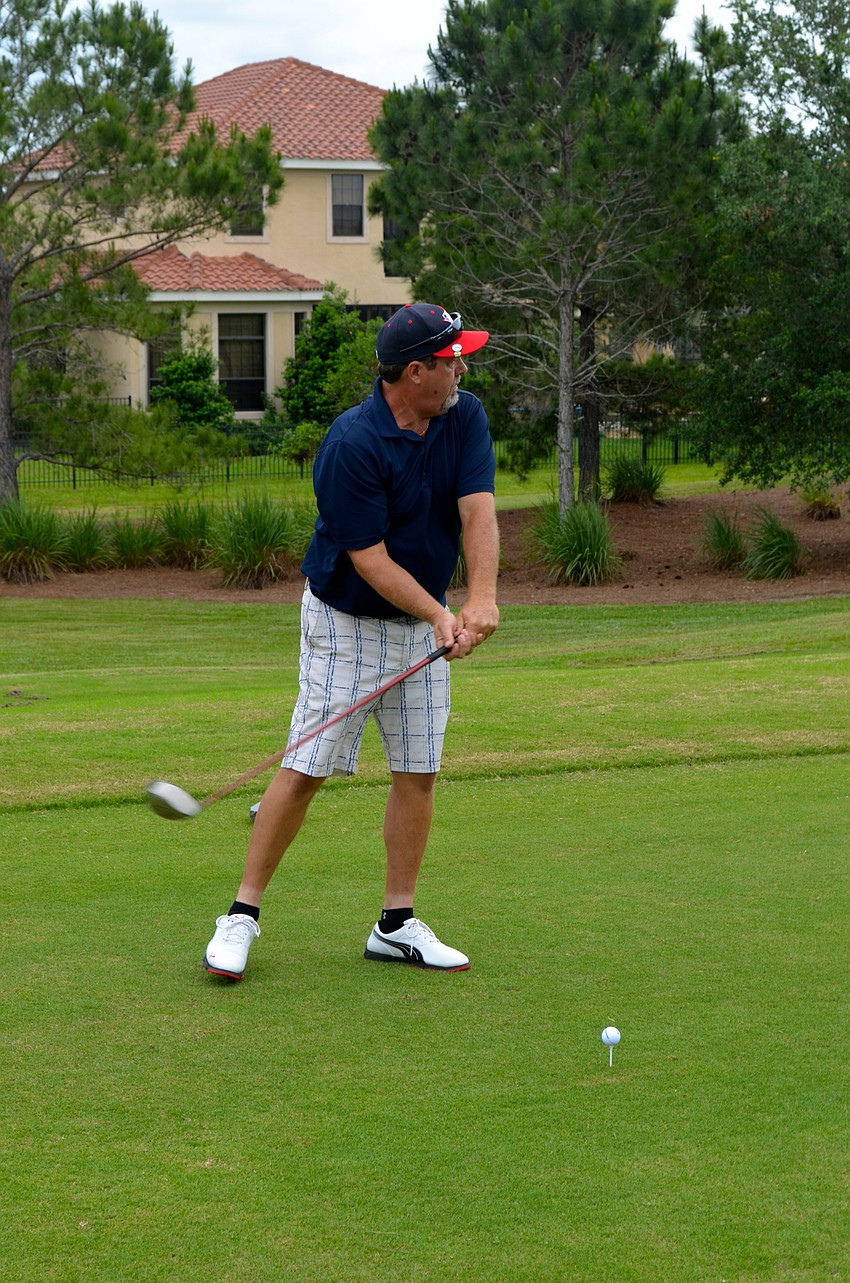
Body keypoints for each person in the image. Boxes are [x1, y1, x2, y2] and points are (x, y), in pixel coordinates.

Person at [204, 302, 500, 980]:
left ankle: (395, 924)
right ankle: (240, 915)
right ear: (415, 371)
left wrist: (481, 596)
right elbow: (369, 559)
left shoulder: (464, 416)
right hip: (346, 624)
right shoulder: (351, 444)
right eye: (451, 360)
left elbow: (477, 510)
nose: (461, 370)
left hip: (421, 624)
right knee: (307, 766)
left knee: (418, 769)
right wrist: (440, 613)